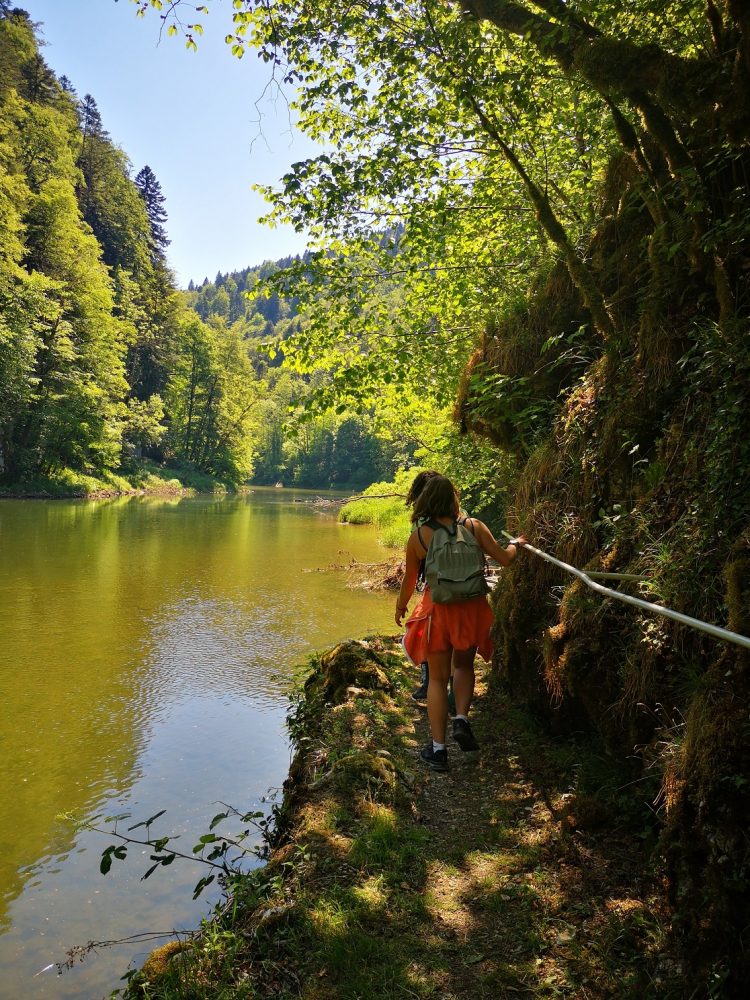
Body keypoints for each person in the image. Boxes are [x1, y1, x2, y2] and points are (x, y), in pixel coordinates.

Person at [395, 473, 527, 771]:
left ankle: (439, 750)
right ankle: (462, 720)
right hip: (471, 608)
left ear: (425, 500)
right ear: (454, 499)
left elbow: (409, 580)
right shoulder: (473, 526)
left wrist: (401, 606)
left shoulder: (418, 537)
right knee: (464, 666)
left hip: (437, 612)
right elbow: (505, 559)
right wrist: (517, 544)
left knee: (438, 680)